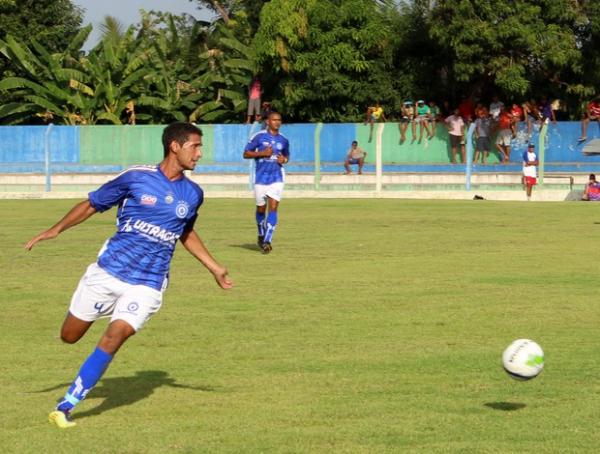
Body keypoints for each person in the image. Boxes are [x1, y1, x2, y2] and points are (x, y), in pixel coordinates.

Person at [24, 122, 233, 429]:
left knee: (117, 333)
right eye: (195, 146)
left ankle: (66, 405)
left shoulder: (193, 193)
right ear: (175, 146)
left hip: (148, 283)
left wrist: (214, 267)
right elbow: (93, 203)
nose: (200, 154)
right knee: (69, 336)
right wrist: (56, 229)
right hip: (108, 273)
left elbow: (184, 231)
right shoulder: (137, 177)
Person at [243, 111, 290, 254]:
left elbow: (286, 156)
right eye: (274, 120)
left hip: (277, 177)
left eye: (279, 120)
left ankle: (267, 240)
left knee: (273, 208)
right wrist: (262, 153)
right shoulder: (259, 136)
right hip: (260, 178)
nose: (277, 122)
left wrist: (284, 160)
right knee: (260, 210)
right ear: (268, 122)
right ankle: (260, 232)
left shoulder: (284, 140)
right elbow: (245, 153)